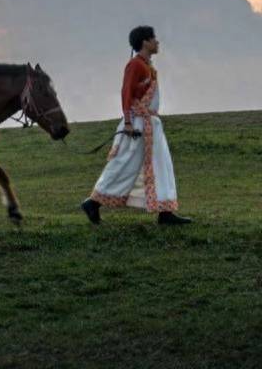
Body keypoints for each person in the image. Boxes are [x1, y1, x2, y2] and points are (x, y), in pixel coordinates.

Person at [80, 26, 191, 225]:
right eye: (154, 39)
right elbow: (126, 93)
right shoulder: (135, 65)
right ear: (145, 42)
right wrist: (129, 122)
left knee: (160, 164)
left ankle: (165, 211)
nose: (157, 42)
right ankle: (94, 202)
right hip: (139, 123)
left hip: (150, 123)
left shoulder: (148, 67)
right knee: (125, 162)